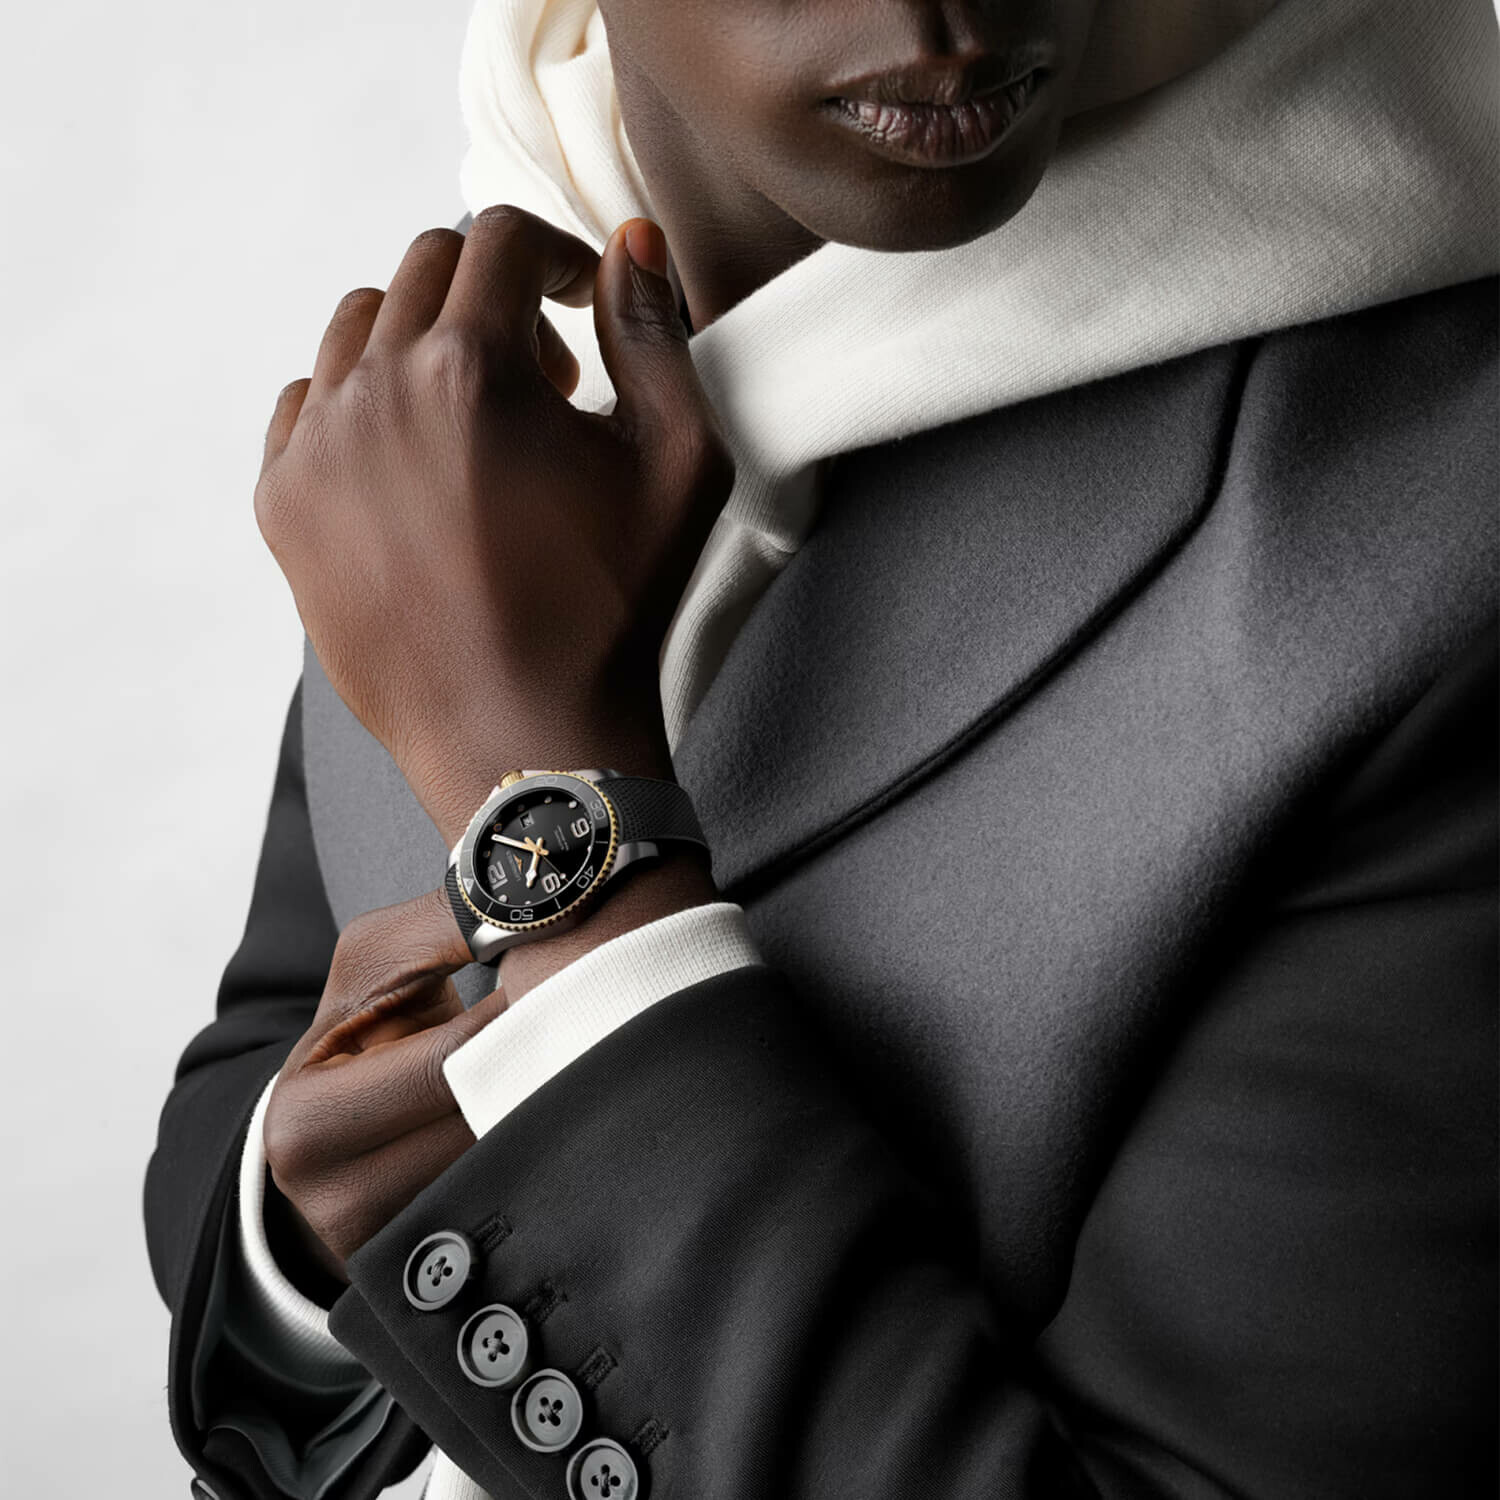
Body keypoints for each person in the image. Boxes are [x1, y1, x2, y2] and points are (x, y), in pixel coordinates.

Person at [145, 1, 1498, 1497]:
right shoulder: (477, 367)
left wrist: (565, 860)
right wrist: (298, 1243)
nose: (944, 18)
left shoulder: (1433, 533)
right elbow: (268, 1053)